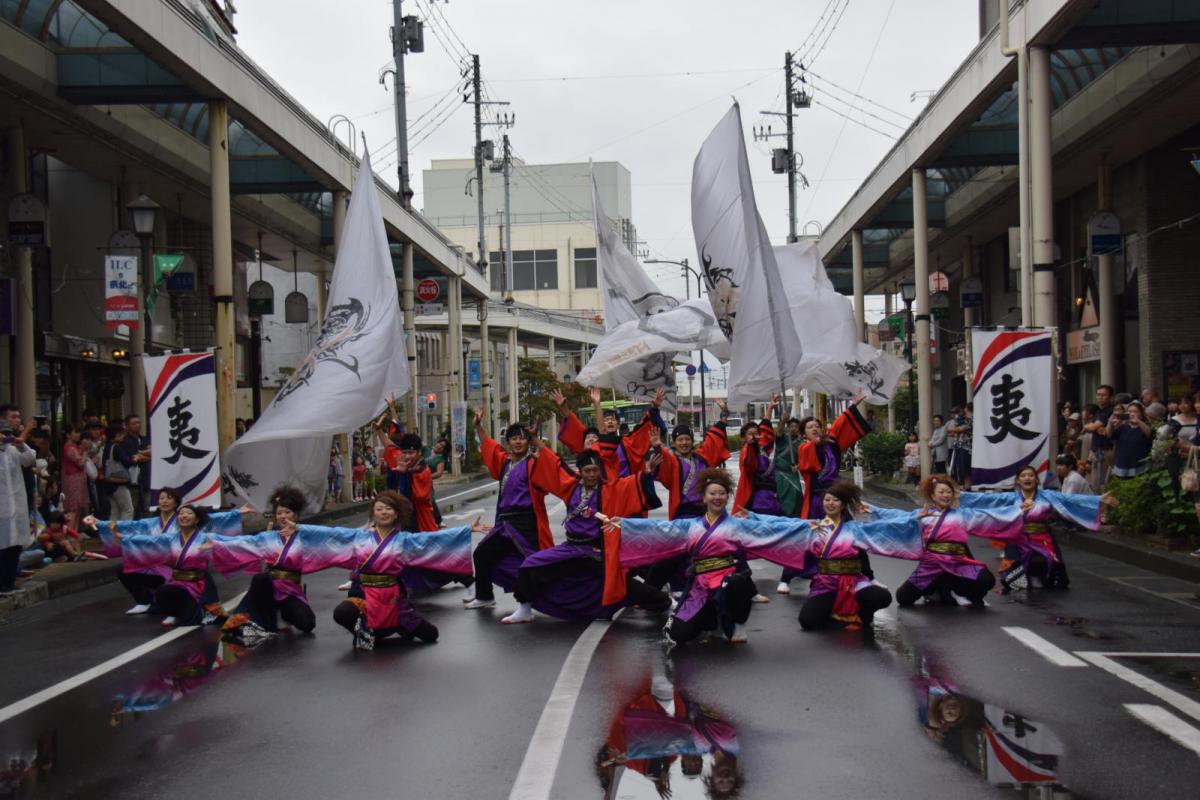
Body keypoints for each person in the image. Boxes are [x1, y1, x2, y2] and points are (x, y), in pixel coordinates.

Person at [498, 446, 670, 624]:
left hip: (595, 550)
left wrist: (647, 474)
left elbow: (632, 485)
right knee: (531, 565)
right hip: (570, 547)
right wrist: (536, 442)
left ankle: (666, 602)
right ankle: (525, 609)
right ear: (580, 471)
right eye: (587, 471)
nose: (592, 474)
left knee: (622, 584)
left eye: (595, 470)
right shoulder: (570, 487)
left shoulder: (610, 489)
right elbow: (556, 466)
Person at [324, 492, 475, 649]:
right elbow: (328, 535)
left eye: (388, 509)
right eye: (379, 509)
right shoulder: (360, 537)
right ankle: (366, 633)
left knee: (431, 635)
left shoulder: (403, 540)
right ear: (373, 515)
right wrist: (299, 528)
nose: (383, 512)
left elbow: (431, 541)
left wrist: (466, 530)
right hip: (363, 596)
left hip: (392, 600)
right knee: (343, 612)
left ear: (396, 514)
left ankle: (399, 627)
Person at [213, 486, 354, 643]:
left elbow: (332, 537)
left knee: (307, 624)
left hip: (290, 590)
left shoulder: (306, 536)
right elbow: (242, 543)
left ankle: (284, 613)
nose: (283, 516)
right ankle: (265, 621)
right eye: (279, 513)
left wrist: (359, 534)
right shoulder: (267, 537)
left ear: (296, 514)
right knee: (261, 578)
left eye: (287, 512)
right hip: (268, 588)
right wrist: (216, 541)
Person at [865, 475, 1027, 608]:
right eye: (941, 492)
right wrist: (874, 510)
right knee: (903, 598)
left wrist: (1016, 510)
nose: (946, 495)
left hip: (958, 562)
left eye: (949, 492)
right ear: (933, 495)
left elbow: (990, 516)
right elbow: (897, 516)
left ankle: (955, 590)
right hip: (931, 564)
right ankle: (937, 589)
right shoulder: (924, 514)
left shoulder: (962, 514)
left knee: (987, 580)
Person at [87, 487, 244, 615]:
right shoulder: (150, 523)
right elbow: (128, 526)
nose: (164, 501)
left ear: (176, 502)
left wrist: (237, 513)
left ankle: (175, 607)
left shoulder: (185, 518)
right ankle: (144, 601)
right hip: (155, 565)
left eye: (169, 498)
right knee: (124, 569)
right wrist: (99, 522)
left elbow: (211, 519)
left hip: (177, 568)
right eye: (161, 498)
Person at [964, 465, 1114, 592]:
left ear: (1036, 479)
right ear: (1018, 480)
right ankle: (1023, 576)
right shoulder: (1011, 498)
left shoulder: (1047, 496)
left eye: (1031, 475)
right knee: (1014, 581)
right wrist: (958, 495)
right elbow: (984, 499)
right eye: (1024, 476)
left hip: (1042, 538)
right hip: (1017, 539)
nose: (1028, 478)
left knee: (1051, 571)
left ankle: (1039, 574)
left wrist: (1098, 499)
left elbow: (1070, 499)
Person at [776, 397, 870, 594]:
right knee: (809, 540)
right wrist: (817, 443)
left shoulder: (832, 444)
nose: (815, 428)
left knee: (852, 536)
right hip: (818, 501)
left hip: (837, 500)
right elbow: (808, 464)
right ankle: (786, 577)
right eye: (810, 427)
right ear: (804, 434)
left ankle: (869, 576)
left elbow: (840, 424)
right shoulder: (804, 448)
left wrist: (853, 404)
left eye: (817, 426)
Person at [464, 413, 555, 609]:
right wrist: (479, 426)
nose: (518, 442)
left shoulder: (533, 463)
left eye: (522, 437)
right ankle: (485, 596)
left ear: (527, 441)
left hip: (526, 524)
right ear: (508, 442)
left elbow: (552, 466)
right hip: (505, 525)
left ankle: (536, 603)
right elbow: (489, 445)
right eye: (514, 438)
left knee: (534, 564)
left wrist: (536, 439)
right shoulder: (505, 463)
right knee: (482, 554)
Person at [0, 412, 37, 595]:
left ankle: (9, 581)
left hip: (16, 507)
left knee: (14, 546)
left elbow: (30, 459)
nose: (6, 438)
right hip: (2, 508)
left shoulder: (14, 450)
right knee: (2, 546)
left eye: (9, 434)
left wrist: (21, 444)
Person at [733, 395, 782, 516]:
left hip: (772, 490)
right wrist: (750, 445)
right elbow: (749, 465)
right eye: (750, 433)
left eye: (756, 433)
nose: (754, 435)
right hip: (756, 492)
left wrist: (770, 408)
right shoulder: (746, 450)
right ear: (744, 436)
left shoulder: (762, 444)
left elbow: (765, 426)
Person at [389, 433, 442, 531]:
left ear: (419, 452)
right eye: (404, 453)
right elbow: (391, 488)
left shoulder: (422, 469)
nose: (408, 456)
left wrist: (404, 473)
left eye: (411, 452)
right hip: (405, 517)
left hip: (421, 518)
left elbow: (416, 496)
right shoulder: (403, 466)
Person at [1107, 401, 1152, 479]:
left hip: (1139, 465)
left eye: (1135, 412)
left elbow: (1149, 433)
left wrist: (1137, 421)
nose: (1132, 414)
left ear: (1141, 414)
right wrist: (1110, 422)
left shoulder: (1144, 426)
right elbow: (1109, 434)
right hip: (1122, 464)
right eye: (1130, 411)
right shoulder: (1123, 426)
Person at [1084, 385, 1115, 490]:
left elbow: (1091, 427)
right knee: (1094, 484)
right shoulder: (1098, 411)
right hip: (1097, 450)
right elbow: (1089, 428)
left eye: (1104, 395)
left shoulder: (1110, 410)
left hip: (1107, 451)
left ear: (1110, 397)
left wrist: (1094, 427)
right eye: (1098, 395)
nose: (1100, 397)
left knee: (1103, 485)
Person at [102, 424, 135, 521]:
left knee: (115, 511)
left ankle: (111, 533)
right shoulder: (116, 448)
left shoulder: (107, 447)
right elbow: (127, 462)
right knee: (128, 509)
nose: (123, 436)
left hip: (109, 483)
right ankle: (123, 533)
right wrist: (135, 459)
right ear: (116, 435)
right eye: (121, 434)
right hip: (119, 483)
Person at [773, 417, 805, 517]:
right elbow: (779, 433)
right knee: (781, 495)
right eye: (791, 426)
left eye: (796, 426)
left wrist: (798, 466)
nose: (793, 428)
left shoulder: (802, 443)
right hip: (780, 473)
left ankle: (795, 517)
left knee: (797, 494)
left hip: (792, 473)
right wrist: (782, 421)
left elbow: (804, 459)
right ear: (788, 427)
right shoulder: (782, 438)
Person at [60, 425, 90, 530]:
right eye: (75, 432)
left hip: (78, 480)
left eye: (78, 432)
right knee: (73, 510)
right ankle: (70, 536)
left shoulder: (73, 447)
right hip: (73, 480)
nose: (78, 435)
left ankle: (74, 538)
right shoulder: (70, 448)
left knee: (77, 511)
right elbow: (81, 463)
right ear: (68, 435)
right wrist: (85, 451)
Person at [946, 405, 973, 488]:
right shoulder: (960, 420)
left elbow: (962, 429)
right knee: (960, 467)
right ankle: (964, 485)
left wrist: (952, 430)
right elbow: (955, 431)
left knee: (966, 468)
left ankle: (968, 486)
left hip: (967, 447)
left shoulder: (970, 418)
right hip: (959, 446)